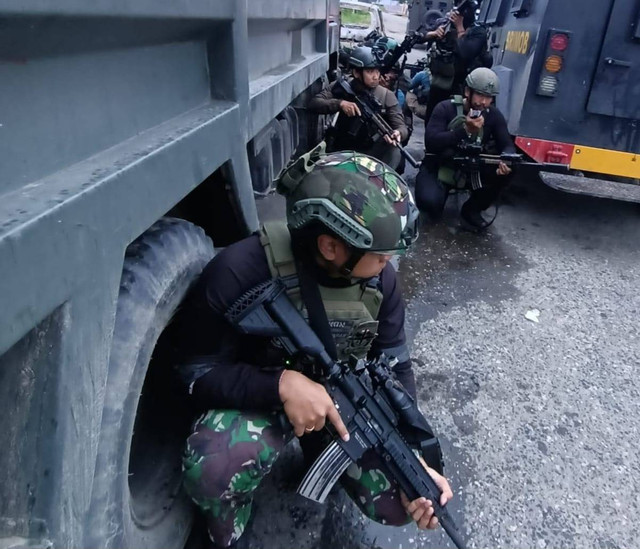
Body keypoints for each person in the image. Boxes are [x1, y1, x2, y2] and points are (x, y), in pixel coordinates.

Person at [173, 144, 454, 548]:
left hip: (342, 406)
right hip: (259, 399)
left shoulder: (380, 283)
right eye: (379, 256)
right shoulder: (241, 271)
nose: (388, 265)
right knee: (214, 467)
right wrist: (280, 386)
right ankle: (229, 531)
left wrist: (416, 460)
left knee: (398, 501)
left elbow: (396, 367)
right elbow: (192, 374)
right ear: (331, 246)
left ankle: (320, 454)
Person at [414, 67, 515, 230]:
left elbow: (507, 143)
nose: (484, 102)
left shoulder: (493, 115)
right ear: (468, 91)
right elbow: (431, 141)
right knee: (430, 205)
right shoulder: (445, 108)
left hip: (472, 169)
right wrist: (464, 131)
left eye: (489, 97)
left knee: (511, 168)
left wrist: (507, 158)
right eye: (480, 95)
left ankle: (472, 210)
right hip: (441, 166)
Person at [307, 46, 409, 171]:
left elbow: (401, 127)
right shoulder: (344, 86)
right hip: (342, 151)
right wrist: (340, 104)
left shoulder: (386, 95)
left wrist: (398, 133)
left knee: (394, 151)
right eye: (370, 71)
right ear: (356, 73)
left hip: (371, 155)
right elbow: (314, 103)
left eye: (377, 71)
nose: (376, 76)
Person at [419, 0, 492, 122]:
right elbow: (417, 37)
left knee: (457, 123)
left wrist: (459, 28)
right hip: (439, 84)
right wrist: (433, 34)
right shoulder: (444, 23)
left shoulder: (478, 32)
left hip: (462, 89)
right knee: (433, 121)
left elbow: (465, 52)